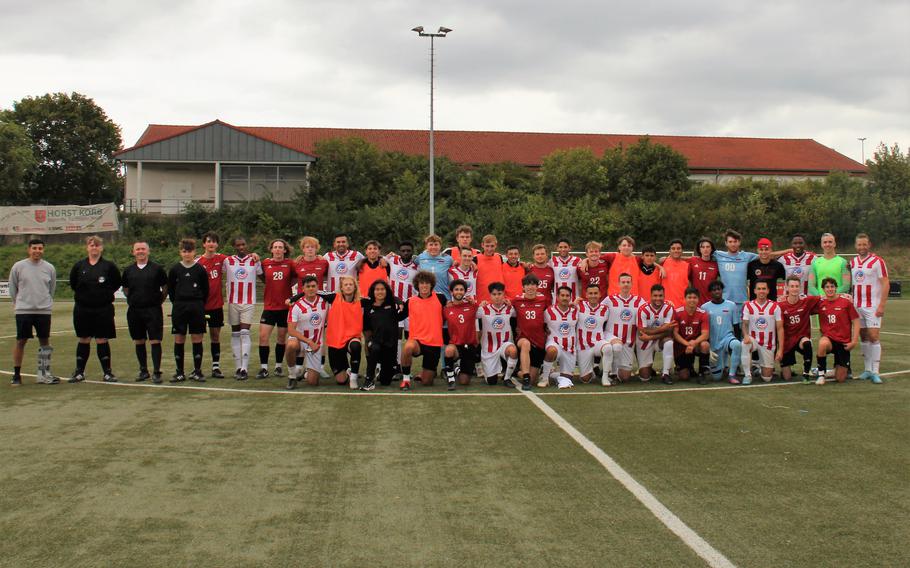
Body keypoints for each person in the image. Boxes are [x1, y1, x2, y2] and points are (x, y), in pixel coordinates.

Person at [9, 238, 57, 385]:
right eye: (34, 248)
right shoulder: (18, 267)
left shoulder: (49, 268)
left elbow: (51, 289)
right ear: (29, 250)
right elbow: (13, 288)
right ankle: (16, 375)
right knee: (21, 341)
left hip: (43, 311)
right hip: (24, 311)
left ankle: (43, 374)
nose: (37, 251)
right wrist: (19, 304)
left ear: (43, 250)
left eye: (40, 248)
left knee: (44, 341)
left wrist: (45, 303)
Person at [121, 241, 167, 383]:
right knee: (139, 340)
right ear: (133, 252)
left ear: (148, 251)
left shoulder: (157, 269)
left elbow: (165, 287)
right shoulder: (128, 270)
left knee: (155, 340)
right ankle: (143, 371)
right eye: (138, 249)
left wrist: (158, 300)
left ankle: (156, 372)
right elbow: (126, 288)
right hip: (135, 310)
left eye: (143, 249)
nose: (140, 251)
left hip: (153, 310)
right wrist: (133, 299)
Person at [167, 238, 209, 382]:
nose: (187, 254)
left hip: (196, 306)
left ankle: (197, 371)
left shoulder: (200, 269)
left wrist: (198, 303)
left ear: (194, 252)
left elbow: (205, 290)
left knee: (197, 338)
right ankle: (179, 372)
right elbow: (171, 290)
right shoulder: (175, 269)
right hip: (179, 306)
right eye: (184, 251)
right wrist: (177, 303)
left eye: (189, 251)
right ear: (180, 252)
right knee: (179, 338)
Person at [399, 271, 448, 389]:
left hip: (434, 343)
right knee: (408, 347)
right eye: (422, 283)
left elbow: (450, 313)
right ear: (417, 285)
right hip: (417, 341)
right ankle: (406, 379)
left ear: (431, 285)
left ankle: (425, 374)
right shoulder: (410, 301)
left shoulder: (441, 298)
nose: (424, 285)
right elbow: (397, 317)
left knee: (427, 382)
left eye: (427, 283)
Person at [850, 233, 889, 384]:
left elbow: (885, 283)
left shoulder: (878, 261)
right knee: (863, 337)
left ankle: (875, 371)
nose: (862, 247)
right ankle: (867, 370)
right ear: (856, 246)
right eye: (859, 245)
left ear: (869, 245)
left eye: (864, 244)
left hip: (872, 305)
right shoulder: (852, 262)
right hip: (857, 305)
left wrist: (882, 305)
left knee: (873, 336)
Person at [224, 236, 261, 380]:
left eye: (243, 244)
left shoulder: (254, 260)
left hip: (248, 302)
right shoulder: (227, 261)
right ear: (234, 246)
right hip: (232, 302)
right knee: (235, 334)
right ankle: (237, 367)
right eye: (238, 245)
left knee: (245, 332)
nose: (241, 247)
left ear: (247, 245)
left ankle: (244, 368)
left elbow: (264, 277)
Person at [257, 239, 296, 379]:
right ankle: (263, 368)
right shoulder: (265, 263)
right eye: (275, 247)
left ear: (285, 250)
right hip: (269, 307)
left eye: (281, 247)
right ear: (271, 249)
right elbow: (261, 276)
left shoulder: (290, 263)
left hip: (285, 307)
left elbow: (297, 277)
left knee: (281, 338)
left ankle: (278, 366)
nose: (278, 249)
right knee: (263, 337)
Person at [320, 276, 365, 389]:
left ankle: (353, 378)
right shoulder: (334, 298)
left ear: (355, 287)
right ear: (341, 287)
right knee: (341, 380)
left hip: (352, 338)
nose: (348, 286)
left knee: (356, 346)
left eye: (351, 284)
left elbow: (383, 297)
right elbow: (313, 292)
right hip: (336, 341)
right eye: (346, 285)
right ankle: (348, 370)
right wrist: (293, 299)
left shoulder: (361, 301)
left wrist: (398, 302)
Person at [284, 276, 328, 389]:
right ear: (303, 289)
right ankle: (292, 375)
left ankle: (306, 373)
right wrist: (308, 341)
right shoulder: (296, 306)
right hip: (300, 340)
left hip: (315, 344)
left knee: (313, 382)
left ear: (318, 287)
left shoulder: (325, 302)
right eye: (308, 286)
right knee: (290, 345)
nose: (311, 289)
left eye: (313, 286)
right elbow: (291, 330)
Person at [814, 277, 860, 385]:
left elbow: (856, 321)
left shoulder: (846, 303)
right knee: (822, 343)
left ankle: (833, 370)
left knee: (840, 379)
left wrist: (854, 341)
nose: (830, 289)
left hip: (843, 342)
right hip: (829, 339)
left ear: (836, 288)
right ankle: (821, 375)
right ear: (823, 289)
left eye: (832, 287)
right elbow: (804, 307)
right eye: (827, 287)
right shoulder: (820, 303)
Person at [601, 273, 645, 384]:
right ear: (619, 284)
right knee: (616, 346)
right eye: (623, 282)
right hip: (611, 336)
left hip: (628, 342)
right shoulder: (609, 300)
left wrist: (667, 303)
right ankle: (612, 373)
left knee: (625, 378)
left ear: (631, 284)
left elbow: (650, 311)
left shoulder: (639, 301)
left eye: (628, 282)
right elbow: (596, 310)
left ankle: (614, 370)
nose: (625, 284)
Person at [196, 232, 228, 378]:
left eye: (214, 241)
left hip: (216, 305)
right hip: (201, 306)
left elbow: (239, 261)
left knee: (215, 336)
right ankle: (198, 368)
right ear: (204, 244)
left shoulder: (222, 259)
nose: (211, 244)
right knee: (199, 337)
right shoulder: (198, 262)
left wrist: (254, 255)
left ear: (217, 244)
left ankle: (216, 367)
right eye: (208, 241)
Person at [362, 280, 405, 390]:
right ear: (373, 291)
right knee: (375, 348)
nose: (379, 292)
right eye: (377, 289)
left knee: (385, 381)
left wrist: (399, 301)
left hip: (390, 346)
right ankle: (369, 380)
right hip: (376, 343)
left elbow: (400, 302)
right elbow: (366, 329)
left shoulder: (392, 305)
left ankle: (381, 372)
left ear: (386, 291)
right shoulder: (368, 307)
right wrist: (368, 343)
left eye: (382, 289)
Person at [777, 276, 821, 383]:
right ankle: (785, 369)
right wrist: (780, 349)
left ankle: (806, 373)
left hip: (801, 338)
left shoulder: (806, 301)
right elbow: (779, 328)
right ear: (787, 287)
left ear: (800, 287)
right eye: (792, 286)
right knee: (787, 377)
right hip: (787, 341)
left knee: (807, 343)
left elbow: (824, 298)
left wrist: (842, 295)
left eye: (797, 286)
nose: (794, 289)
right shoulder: (781, 305)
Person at [476, 282, 519, 387]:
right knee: (492, 382)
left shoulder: (510, 308)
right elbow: (470, 315)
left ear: (504, 294)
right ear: (490, 295)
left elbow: (522, 312)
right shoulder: (483, 309)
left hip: (505, 344)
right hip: (489, 348)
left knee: (513, 351)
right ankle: (491, 372)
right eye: (494, 294)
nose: (497, 297)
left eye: (499, 294)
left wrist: (512, 303)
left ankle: (507, 378)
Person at [740, 281, 784, 384]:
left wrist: (780, 349)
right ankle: (747, 375)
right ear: (754, 291)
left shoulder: (775, 307)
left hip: (768, 344)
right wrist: (746, 335)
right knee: (745, 344)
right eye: (759, 289)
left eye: (764, 289)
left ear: (768, 291)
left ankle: (759, 368)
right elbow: (744, 324)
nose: (761, 291)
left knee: (767, 378)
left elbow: (780, 329)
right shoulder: (748, 306)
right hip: (753, 340)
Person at [512, 274, 550, 389]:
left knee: (534, 379)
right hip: (523, 339)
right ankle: (526, 378)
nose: (530, 287)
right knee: (525, 343)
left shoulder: (544, 300)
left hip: (539, 341)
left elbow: (551, 314)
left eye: (533, 284)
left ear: (537, 287)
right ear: (523, 287)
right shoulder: (516, 300)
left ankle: (518, 372)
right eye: (527, 285)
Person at [701, 281, 743, 384]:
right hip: (714, 344)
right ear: (710, 292)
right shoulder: (704, 307)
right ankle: (723, 368)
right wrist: (708, 348)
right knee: (717, 378)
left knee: (737, 345)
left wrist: (737, 344)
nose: (717, 291)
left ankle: (732, 375)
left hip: (727, 339)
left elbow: (736, 326)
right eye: (714, 290)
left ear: (722, 290)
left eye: (719, 289)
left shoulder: (731, 305)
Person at [443, 279, 480, 390]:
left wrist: (475, 302)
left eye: (461, 290)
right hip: (455, 345)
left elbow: (484, 310)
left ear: (465, 292)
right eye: (456, 289)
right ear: (452, 292)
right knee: (449, 350)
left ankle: (457, 369)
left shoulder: (472, 306)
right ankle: (450, 379)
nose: (459, 292)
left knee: (464, 381)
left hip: (469, 346)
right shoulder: (446, 309)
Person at [636, 284, 677, 385]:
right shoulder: (643, 309)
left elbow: (668, 331)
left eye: (660, 296)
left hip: (657, 339)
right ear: (650, 296)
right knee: (645, 377)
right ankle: (649, 367)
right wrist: (662, 328)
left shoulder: (669, 308)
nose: (658, 298)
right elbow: (643, 331)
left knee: (669, 342)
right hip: (644, 341)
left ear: (664, 296)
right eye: (655, 296)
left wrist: (651, 336)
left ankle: (666, 373)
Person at [541, 286, 579, 389]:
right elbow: (541, 325)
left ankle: (551, 373)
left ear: (570, 298)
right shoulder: (548, 311)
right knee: (551, 350)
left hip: (569, 349)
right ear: (557, 297)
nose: (565, 298)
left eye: (567, 296)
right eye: (562, 295)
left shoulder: (575, 312)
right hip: (555, 344)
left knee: (567, 379)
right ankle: (545, 379)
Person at [672, 288, 712, 384]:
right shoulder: (677, 313)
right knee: (684, 377)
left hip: (696, 345)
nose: (692, 300)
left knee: (705, 344)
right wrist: (687, 344)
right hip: (682, 346)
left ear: (698, 299)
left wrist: (693, 343)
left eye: (694, 297)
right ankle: (688, 367)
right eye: (689, 297)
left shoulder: (703, 314)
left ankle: (702, 373)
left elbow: (705, 334)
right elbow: (675, 334)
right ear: (684, 299)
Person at [576, 283, 612, 386]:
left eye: (595, 293)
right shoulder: (579, 306)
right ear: (586, 295)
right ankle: (592, 371)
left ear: (600, 294)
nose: (593, 296)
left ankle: (605, 377)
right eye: (590, 293)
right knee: (585, 379)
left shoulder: (605, 309)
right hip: (583, 346)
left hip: (598, 343)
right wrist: (572, 303)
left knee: (608, 348)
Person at [415, 234, 454, 299]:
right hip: (426, 297)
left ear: (440, 246)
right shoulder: (421, 257)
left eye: (436, 244)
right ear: (426, 246)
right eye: (431, 245)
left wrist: (472, 263)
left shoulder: (448, 259)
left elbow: (458, 267)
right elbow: (407, 262)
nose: (433, 247)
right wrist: (394, 256)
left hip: (444, 297)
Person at [475, 234, 505, 304]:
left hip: (498, 299)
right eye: (487, 246)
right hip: (482, 300)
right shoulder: (475, 258)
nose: (489, 249)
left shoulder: (499, 257)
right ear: (482, 245)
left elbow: (510, 265)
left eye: (492, 246)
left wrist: (522, 264)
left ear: (496, 245)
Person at [661, 239, 692, 308]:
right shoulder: (663, 263)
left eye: (678, 248)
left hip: (682, 306)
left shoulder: (688, 266)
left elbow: (690, 285)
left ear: (682, 251)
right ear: (669, 251)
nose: (676, 250)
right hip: (665, 305)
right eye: (673, 248)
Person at [689, 237, 719, 305]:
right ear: (699, 249)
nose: (705, 249)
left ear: (711, 249)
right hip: (695, 302)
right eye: (702, 247)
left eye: (708, 247)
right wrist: (666, 258)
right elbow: (678, 259)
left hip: (711, 302)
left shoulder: (716, 264)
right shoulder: (692, 260)